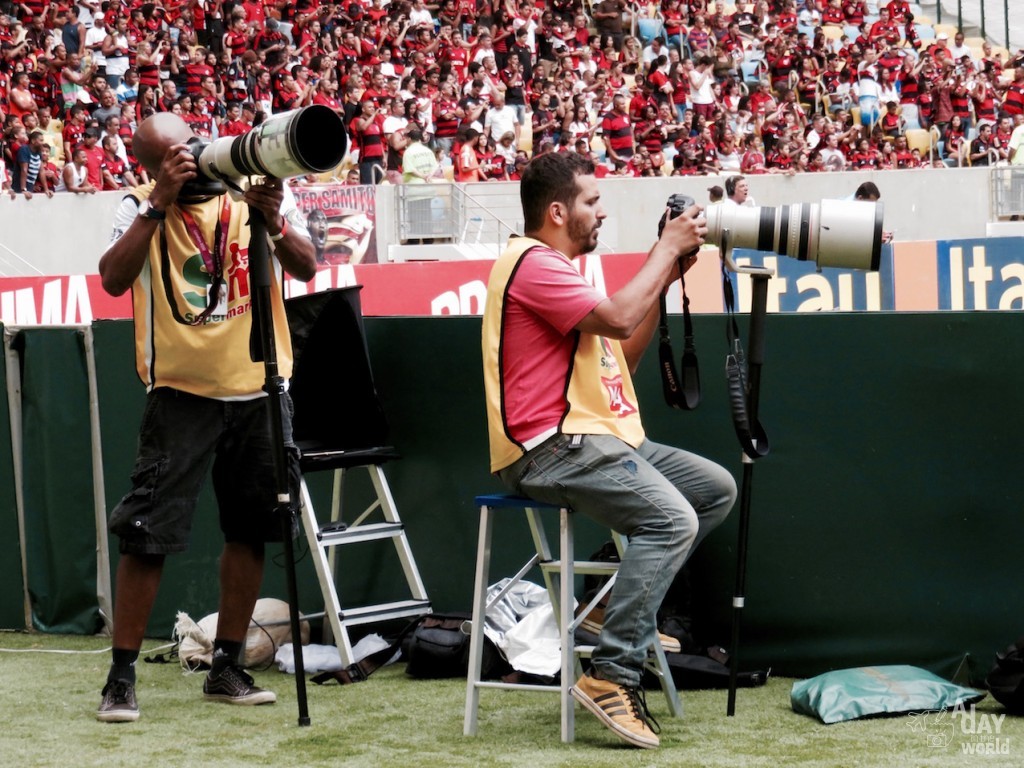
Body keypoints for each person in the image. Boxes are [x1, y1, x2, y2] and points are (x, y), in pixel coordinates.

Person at [481, 152, 736, 749]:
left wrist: (668, 279)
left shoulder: (564, 269)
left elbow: (625, 357)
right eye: (592, 202)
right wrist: (665, 251)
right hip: (548, 448)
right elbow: (620, 319)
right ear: (556, 211)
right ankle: (610, 675)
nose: (602, 211)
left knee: (712, 489)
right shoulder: (533, 264)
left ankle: (603, 606)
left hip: (600, 436)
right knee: (671, 519)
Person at [95, 113, 317, 723]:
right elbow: (113, 279)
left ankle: (226, 667)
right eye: (171, 158)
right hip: (180, 392)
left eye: (190, 149)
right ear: (149, 165)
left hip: (260, 386)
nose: (189, 161)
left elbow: (306, 266)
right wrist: (157, 204)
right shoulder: (136, 205)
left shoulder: (251, 192)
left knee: (251, 530)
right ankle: (120, 677)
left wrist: (272, 218)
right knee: (148, 533)